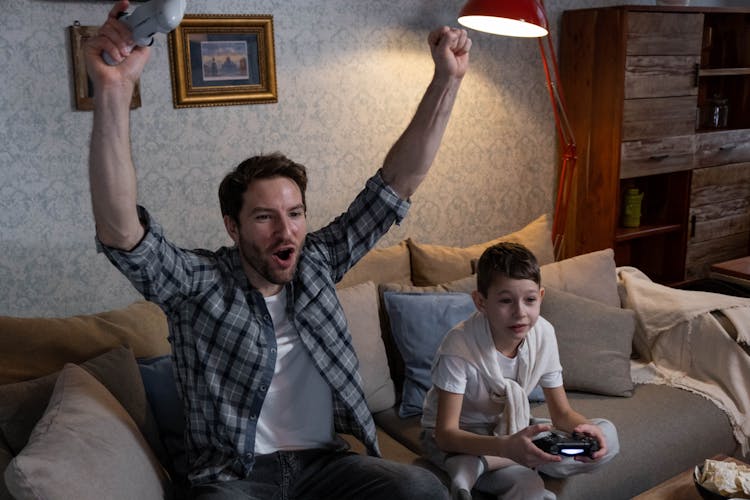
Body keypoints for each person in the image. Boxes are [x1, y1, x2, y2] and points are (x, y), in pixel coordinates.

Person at [83, 1, 471, 499]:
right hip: (235, 479)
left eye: (294, 214)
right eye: (265, 217)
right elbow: (121, 233)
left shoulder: (317, 261)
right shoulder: (199, 285)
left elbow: (398, 183)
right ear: (233, 226)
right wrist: (114, 91)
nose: (285, 232)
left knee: (421, 488)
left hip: (327, 467)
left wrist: (447, 81)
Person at [420, 242, 619, 500]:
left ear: (541, 297)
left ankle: (480, 465)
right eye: (505, 301)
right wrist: (506, 447)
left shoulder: (544, 334)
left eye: (530, 300)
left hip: (510, 428)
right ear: (481, 302)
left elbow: (561, 414)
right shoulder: (459, 346)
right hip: (461, 437)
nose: (520, 313)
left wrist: (584, 429)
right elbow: (445, 435)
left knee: (607, 435)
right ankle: (504, 460)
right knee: (527, 487)